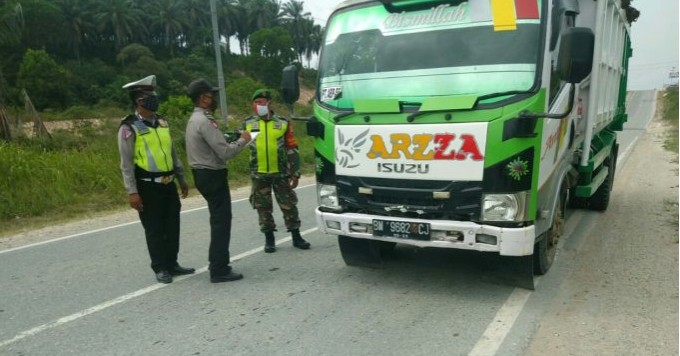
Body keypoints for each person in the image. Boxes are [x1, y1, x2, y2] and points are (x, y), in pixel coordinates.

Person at [117, 75, 194, 284]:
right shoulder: (128, 127)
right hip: (147, 186)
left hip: (169, 183)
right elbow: (126, 163)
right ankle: (160, 267)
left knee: (172, 226)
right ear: (138, 101)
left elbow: (172, 152)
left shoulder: (162, 122)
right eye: (148, 96)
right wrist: (132, 192)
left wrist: (181, 178)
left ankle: (172, 263)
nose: (153, 99)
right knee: (154, 229)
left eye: (153, 95)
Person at [185, 78, 251, 283]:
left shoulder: (195, 119)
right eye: (211, 95)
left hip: (201, 173)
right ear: (203, 98)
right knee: (221, 221)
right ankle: (219, 268)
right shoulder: (205, 121)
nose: (214, 99)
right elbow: (224, 152)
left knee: (218, 219)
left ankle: (218, 264)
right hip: (212, 174)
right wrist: (244, 140)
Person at [243, 89, 310, 253]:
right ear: (253, 105)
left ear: (270, 104)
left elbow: (292, 148)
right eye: (257, 102)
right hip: (259, 174)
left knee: (289, 205)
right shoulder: (249, 124)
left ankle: (296, 236)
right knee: (262, 207)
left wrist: (295, 172)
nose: (260, 105)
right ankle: (269, 239)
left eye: (263, 102)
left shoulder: (282, 123)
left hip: (281, 173)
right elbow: (240, 143)